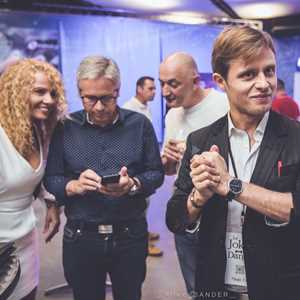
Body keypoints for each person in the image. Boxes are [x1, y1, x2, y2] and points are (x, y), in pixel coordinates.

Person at [166, 25, 300, 300]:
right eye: (249, 74)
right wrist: (198, 197)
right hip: (216, 285)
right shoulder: (201, 140)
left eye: (269, 71)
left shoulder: (295, 137)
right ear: (220, 81)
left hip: (280, 285)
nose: (264, 83)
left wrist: (231, 185)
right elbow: (175, 218)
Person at [44, 55, 164, 300]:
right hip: (81, 236)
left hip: (129, 235)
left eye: (106, 98)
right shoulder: (65, 127)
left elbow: (156, 173)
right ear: (80, 93)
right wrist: (73, 185)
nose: (98, 107)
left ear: (117, 91)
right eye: (90, 98)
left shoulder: (139, 124)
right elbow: (52, 178)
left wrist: (133, 184)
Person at [159, 52, 228, 297]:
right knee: (196, 290)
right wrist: (167, 159)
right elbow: (169, 172)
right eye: (162, 83)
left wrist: (194, 153)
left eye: (173, 83)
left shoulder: (223, 105)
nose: (165, 91)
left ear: (195, 80)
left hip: (221, 214)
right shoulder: (172, 114)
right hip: (186, 210)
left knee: (222, 290)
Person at [0, 58, 67, 300]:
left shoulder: (36, 131)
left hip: (25, 243)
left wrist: (50, 202)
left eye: (52, 92)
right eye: (39, 91)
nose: (49, 100)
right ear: (16, 92)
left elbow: (31, 177)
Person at [123, 76, 162, 257]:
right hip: (135, 167)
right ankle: (143, 243)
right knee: (139, 204)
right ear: (139, 89)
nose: (154, 92)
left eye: (154, 88)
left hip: (144, 164)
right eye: (150, 88)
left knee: (145, 203)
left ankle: (144, 233)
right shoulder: (129, 109)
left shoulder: (145, 108)